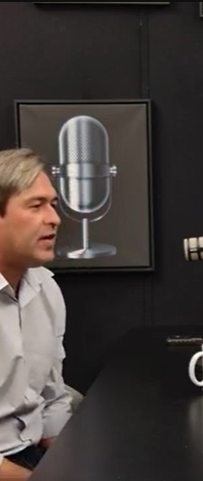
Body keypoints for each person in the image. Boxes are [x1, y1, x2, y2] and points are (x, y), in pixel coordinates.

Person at [0, 148, 72, 480]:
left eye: (52, 204)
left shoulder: (45, 287)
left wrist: (73, 461)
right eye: (36, 205)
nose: (54, 219)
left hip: (31, 455)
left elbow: (52, 395)